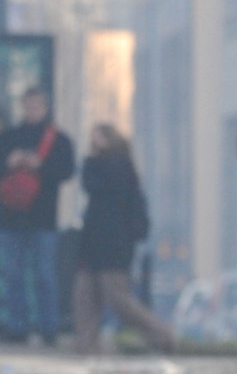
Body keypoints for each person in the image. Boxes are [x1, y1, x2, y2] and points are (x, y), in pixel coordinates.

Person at [72, 124, 175, 353]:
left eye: (98, 136)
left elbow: (105, 190)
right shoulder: (95, 165)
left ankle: (162, 334)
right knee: (84, 295)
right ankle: (85, 344)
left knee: (118, 299)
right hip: (92, 241)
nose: (94, 141)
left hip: (113, 243)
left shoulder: (119, 166)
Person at [0, 85, 76, 345]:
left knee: (44, 276)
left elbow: (67, 171)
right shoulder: (8, 137)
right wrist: (9, 162)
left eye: (36, 105)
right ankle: (17, 329)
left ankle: (48, 329)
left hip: (43, 219)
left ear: (45, 107)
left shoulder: (59, 140)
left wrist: (41, 166)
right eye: (28, 105)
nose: (32, 110)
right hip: (11, 218)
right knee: (13, 276)